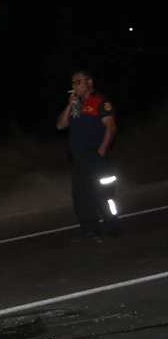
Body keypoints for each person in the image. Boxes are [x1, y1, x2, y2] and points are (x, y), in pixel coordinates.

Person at [56, 69, 120, 237]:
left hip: (96, 157)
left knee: (104, 194)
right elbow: (60, 125)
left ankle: (112, 226)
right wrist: (70, 105)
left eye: (78, 82)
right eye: (72, 83)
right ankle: (90, 228)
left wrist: (102, 150)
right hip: (78, 159)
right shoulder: (76, 106)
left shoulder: (101, 101)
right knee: (81, 195)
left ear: (89, 82)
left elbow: (110, 127)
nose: (74, 86)